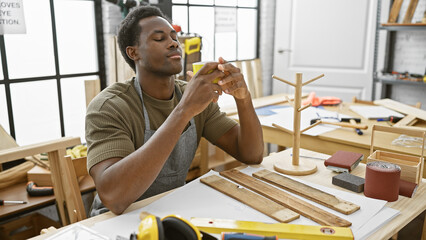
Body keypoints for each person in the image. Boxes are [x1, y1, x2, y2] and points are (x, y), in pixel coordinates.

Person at [85, 5, 264, 216]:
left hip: (169, 210)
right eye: (159, 39)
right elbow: (114, 198)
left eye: (174, 37)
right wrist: (184, 111)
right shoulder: (110, 107)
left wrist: (243, 98)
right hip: (114, 221)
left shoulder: (191, 96)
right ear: (134, 52)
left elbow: (252, 154)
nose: (173, 43)